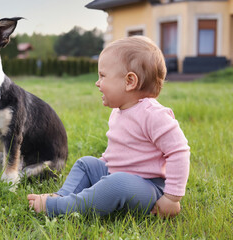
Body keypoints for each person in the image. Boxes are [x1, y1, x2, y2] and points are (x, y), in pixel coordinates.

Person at [27, 36, 190, 218]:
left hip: (148, 186)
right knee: (86, 163)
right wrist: (103, 166)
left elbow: (179, 151)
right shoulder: (119, 111)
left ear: (129, 82)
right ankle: (62, 195)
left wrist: (172, 198)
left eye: (102, 76)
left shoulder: (153, 114)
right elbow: (117, 153)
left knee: (116, 184)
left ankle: (61, 207)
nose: (97, 83)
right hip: (117, 175)